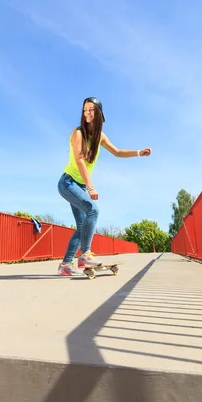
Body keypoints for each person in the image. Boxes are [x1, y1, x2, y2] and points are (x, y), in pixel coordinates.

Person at [57, 97, 151, 276]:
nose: (87, 113)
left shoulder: (100, 136)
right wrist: (91, 186)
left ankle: (66, 264)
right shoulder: (78, 133)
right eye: (85, 110)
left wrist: (138, 153)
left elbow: (117, 152)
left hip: (79, 186)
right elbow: (80, 160)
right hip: (68, 183)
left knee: (82, 226)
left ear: (99, 113)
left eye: (91, 109)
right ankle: (85, 254)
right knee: (93, 209)